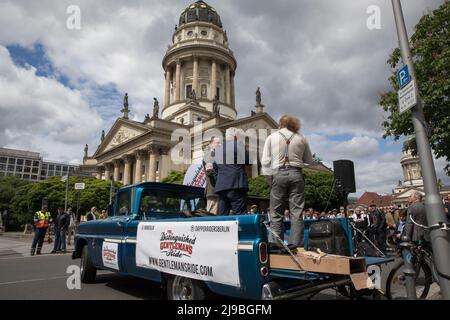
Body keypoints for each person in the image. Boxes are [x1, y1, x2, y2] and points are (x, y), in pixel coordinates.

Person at [261, 115, 314, 247]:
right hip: (296, 174)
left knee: (275, 213)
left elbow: (265, 161)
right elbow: (309, 160)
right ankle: (296, 245)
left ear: (280, 124)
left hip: (278, 173)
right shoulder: (302, 138)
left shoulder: (272, 137)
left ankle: (275, 245)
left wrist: (270, 180)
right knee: (296, 213)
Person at [213, 128, 250, 215]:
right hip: (236, 185)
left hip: (221, 187)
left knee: (223, 216)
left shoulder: (218, 150)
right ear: (236, 137)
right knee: (239, 215)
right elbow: (249, 160)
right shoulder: (238, 145)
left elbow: (215, 170)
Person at [203, 137, 221, 215]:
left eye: (220, 143)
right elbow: (209, 173)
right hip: (213, 191)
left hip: (218, 192)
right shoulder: (209, 155)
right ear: (211, 144)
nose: (220, 145)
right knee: (212, 216)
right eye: (217, 143)